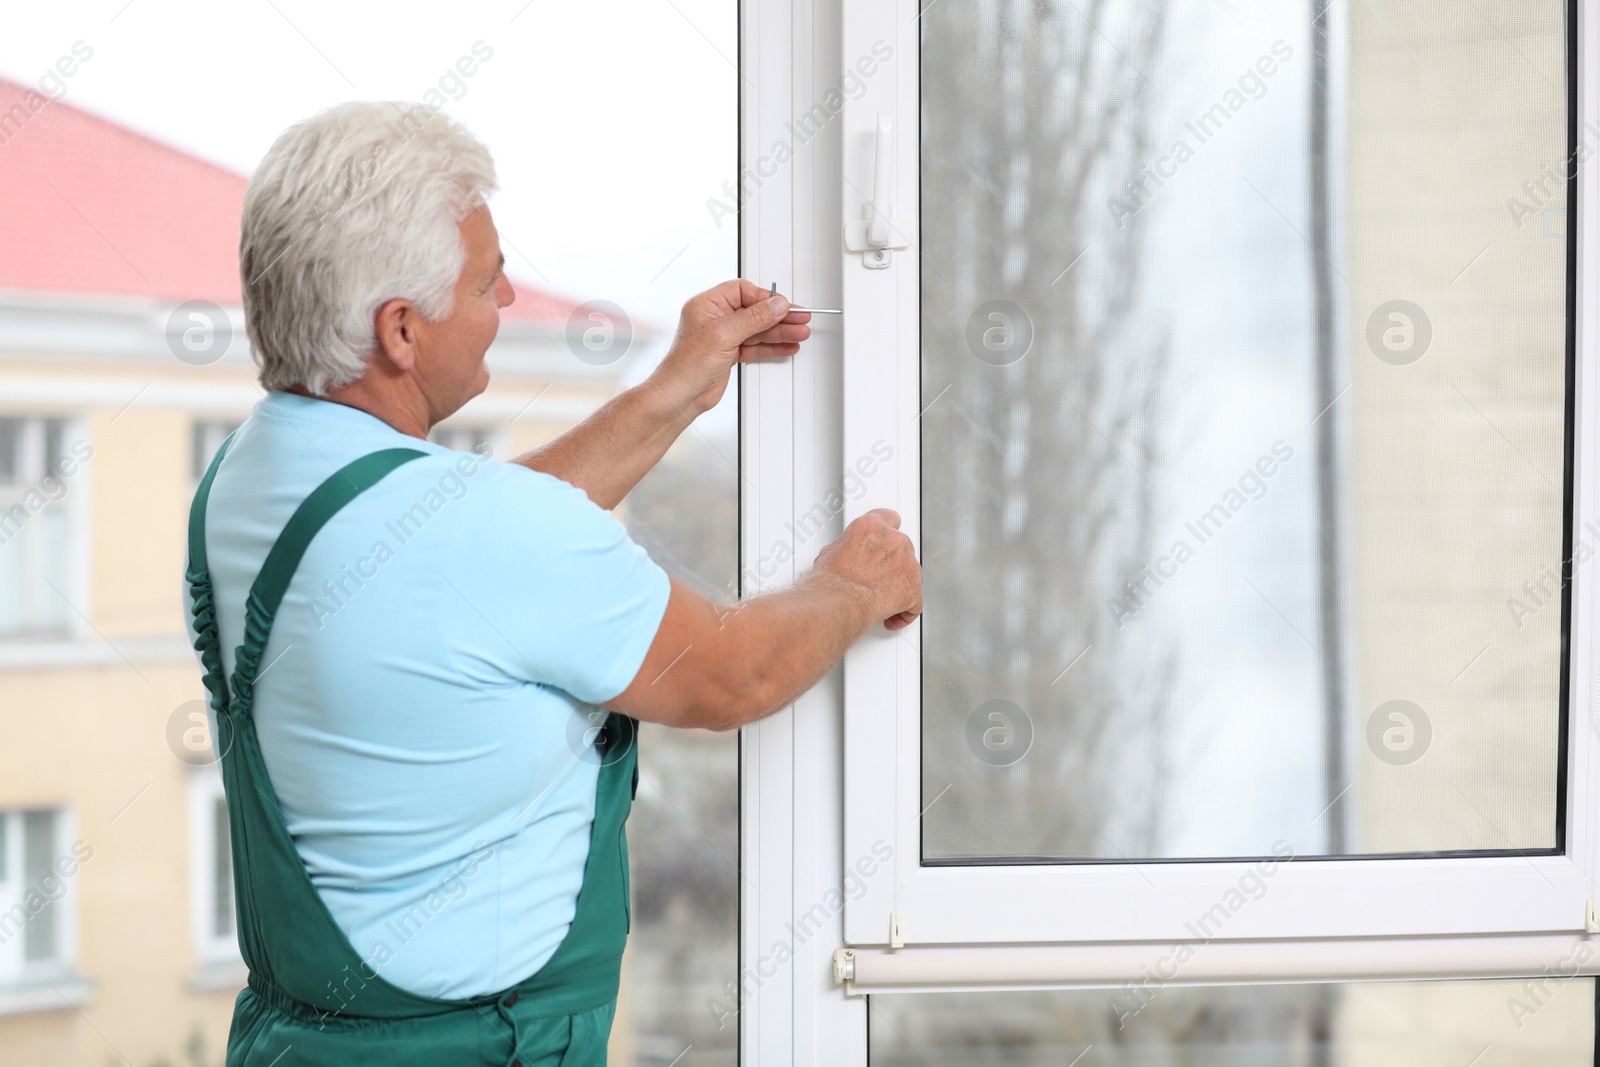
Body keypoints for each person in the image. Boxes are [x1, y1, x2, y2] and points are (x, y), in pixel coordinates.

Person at [184, 101, 921, 1065]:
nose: (508, 304)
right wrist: (853, 584)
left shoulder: (247, 474)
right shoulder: (475, 538)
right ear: (400, 331)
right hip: (481, 1047)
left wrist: (674, 390)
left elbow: (455, 546)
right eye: (488, 284)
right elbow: (731, 675)